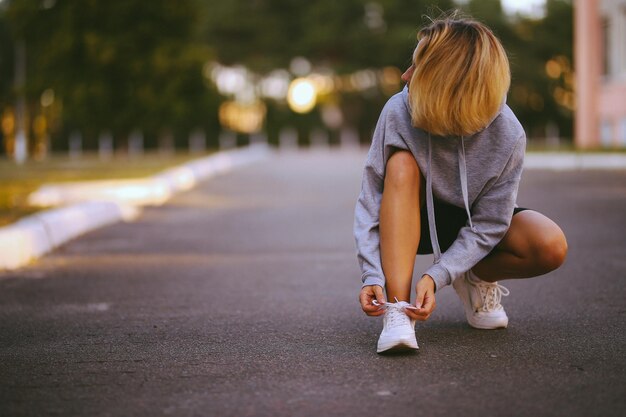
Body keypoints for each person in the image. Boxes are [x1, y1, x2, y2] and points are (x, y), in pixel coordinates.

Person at [354, 14, 568, 354]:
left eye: (417, 68)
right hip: (410, 221)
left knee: (550, 244)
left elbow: (491, 221)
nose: (405, 76)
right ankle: (397, 309)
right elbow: (369, 201)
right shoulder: (398, 111)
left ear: (446, 82)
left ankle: (474, 275)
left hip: (474, 223)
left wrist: (439, 275)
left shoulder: (508, 133)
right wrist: (372, 276)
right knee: (402, 163)